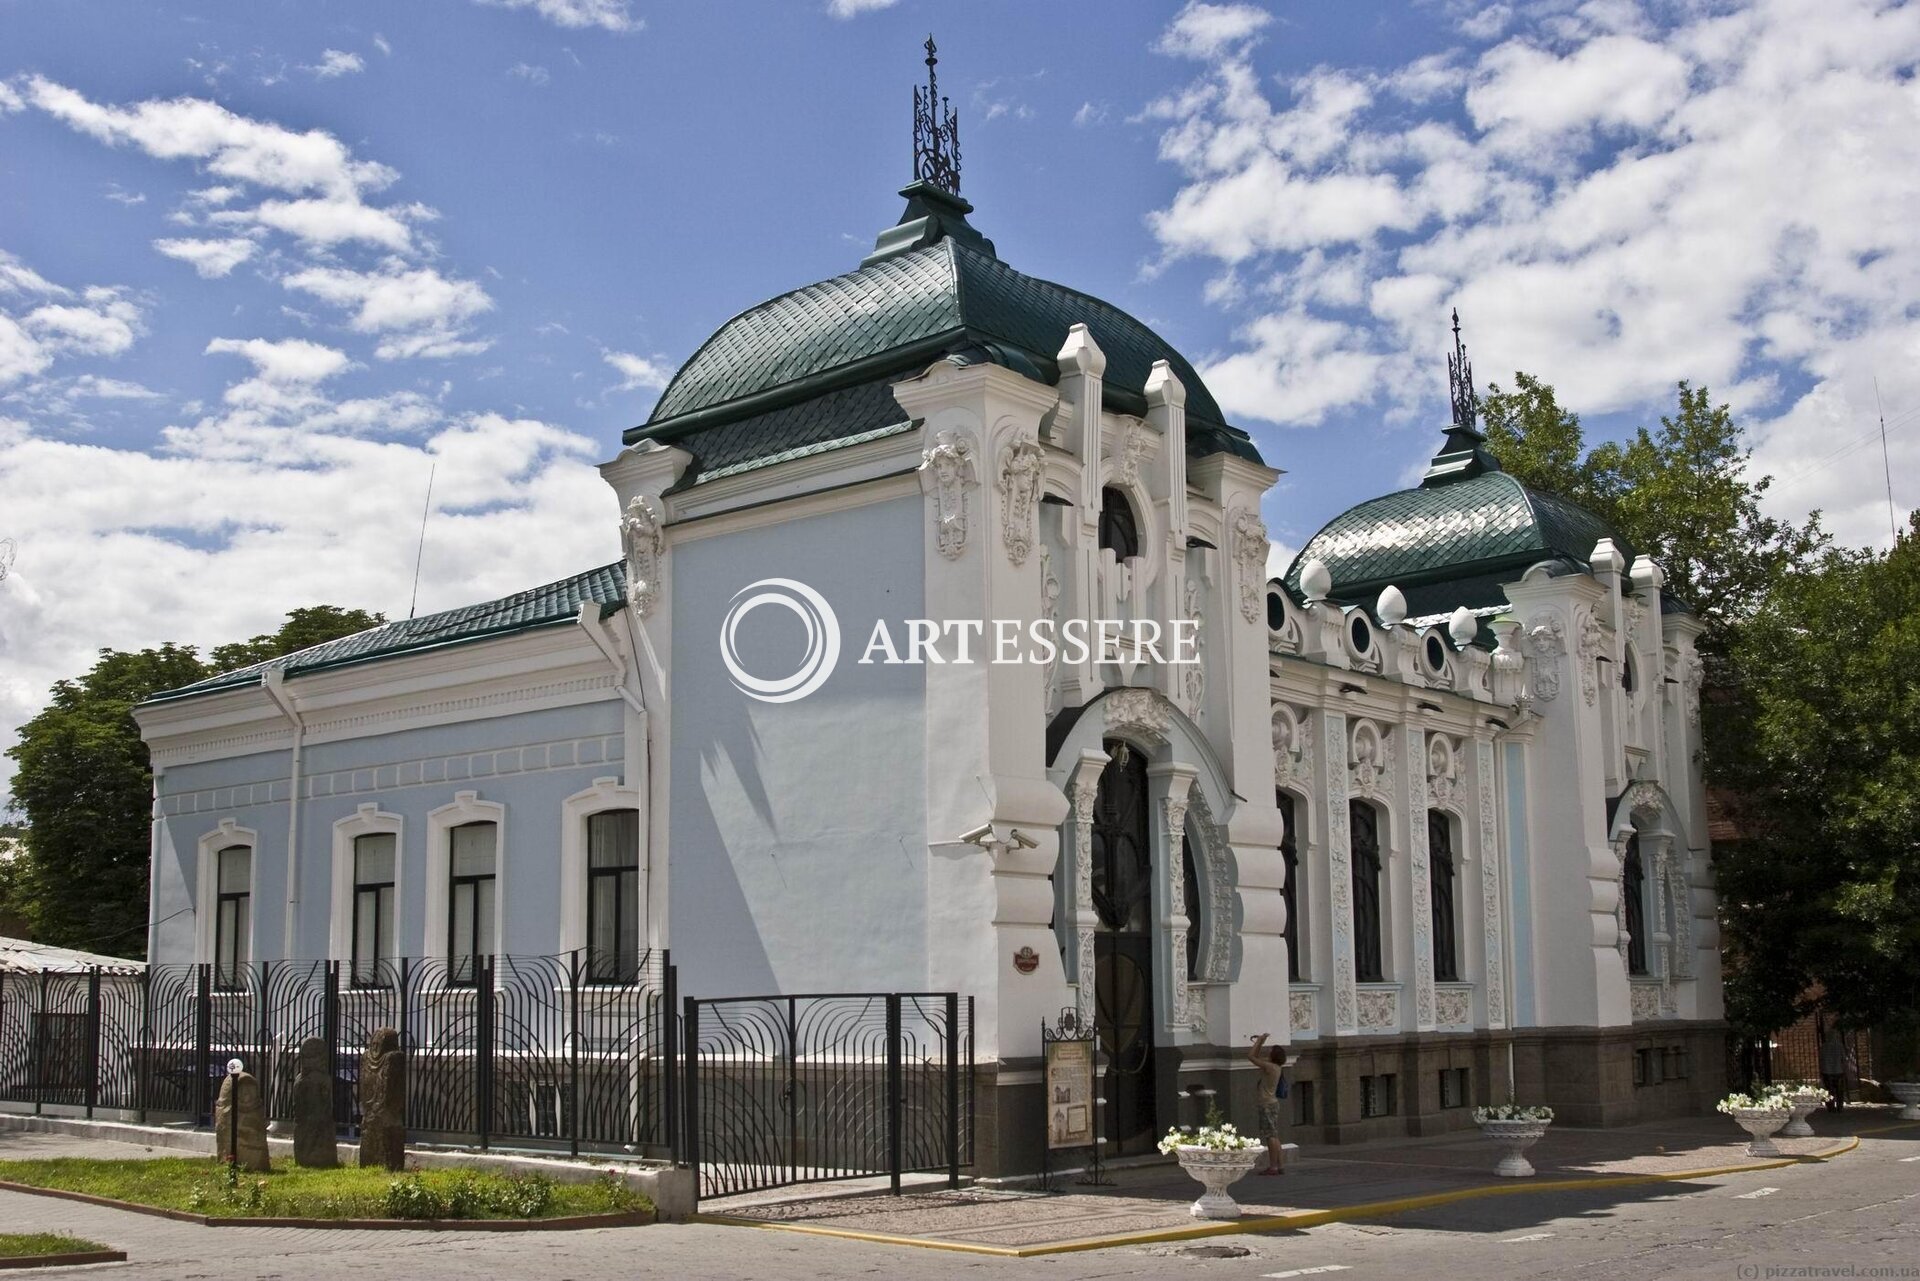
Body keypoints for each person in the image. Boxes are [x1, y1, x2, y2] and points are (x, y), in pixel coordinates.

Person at [1247, 1032, 1290, 1175]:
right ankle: (1280, 1165)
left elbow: (1251, 1057)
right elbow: (1256, 1057)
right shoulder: (1276, 1067)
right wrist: (1260, 1042)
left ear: (1274, 1056)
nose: (1268, 1053)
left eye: (1270, 1052)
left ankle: (1273, 1166)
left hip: (1266, 1105)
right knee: (1274, 1134)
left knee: (1270, 1136)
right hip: (1273, 1103)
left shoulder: (1270, 1067)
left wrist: (1259, 1041)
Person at [1820, 1023, 1850, 1111]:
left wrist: (1821, 1070)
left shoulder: (1824, 1046)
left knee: (1829, 1091)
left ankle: (1830, 1107)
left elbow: (1821, 1059)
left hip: (1827, 1071)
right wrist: (1845, 1069)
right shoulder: (1839, 1045)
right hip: (1838, 1071)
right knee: (1839, 1091)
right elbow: (1844, 1058)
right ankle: (1840, 1107)